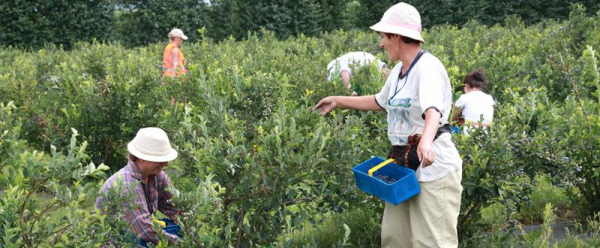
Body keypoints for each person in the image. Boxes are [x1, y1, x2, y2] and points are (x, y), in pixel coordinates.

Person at [313, 3, 462, 247]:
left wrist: (425, 141)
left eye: (383, 37)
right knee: (395, 239)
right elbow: (380, 101)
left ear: (397, 36)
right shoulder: (396, 72)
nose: (381, 43)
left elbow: (433, 109)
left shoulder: (428, 68)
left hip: (433, 167)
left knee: (432, 242)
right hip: (403, 165)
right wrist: (338, 100)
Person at [96, 127, 180, 245]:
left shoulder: (158, 177)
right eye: (160, 159)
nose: (165, 164)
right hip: (118, 243)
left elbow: (175, 207)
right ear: (141, 158)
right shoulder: (126, 185)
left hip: (136, 237)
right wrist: (182, 244)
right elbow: (145, 230)